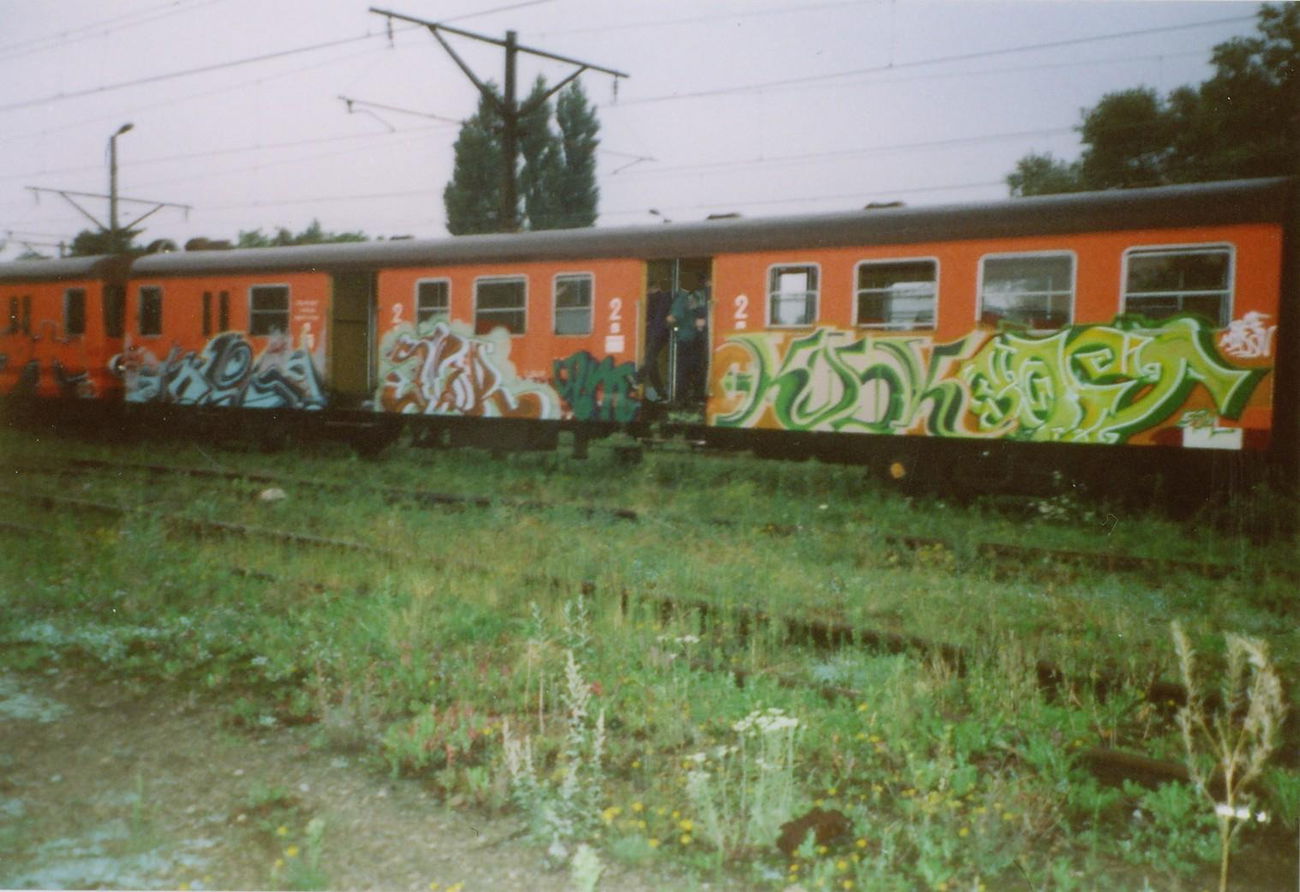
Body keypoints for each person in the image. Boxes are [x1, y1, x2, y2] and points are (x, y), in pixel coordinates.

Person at [668, 276, 710, 404]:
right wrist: (692, 323)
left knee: (686, 369)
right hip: (692, 338)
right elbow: (672, 318)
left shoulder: (687, 296)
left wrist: (676, 328)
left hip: (687, 338)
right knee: (696, 368)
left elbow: (671, 319)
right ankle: (694, 397)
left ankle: (683, 398)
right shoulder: (686, 296)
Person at [638, 280, 672, 401]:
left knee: (650, 359)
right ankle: (661, 393)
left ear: (650, 288)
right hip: (663, 333)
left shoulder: (651, 298)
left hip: (654, 333)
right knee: (651, 362)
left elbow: (647, 317)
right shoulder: (667, 297)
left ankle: (638, 378)